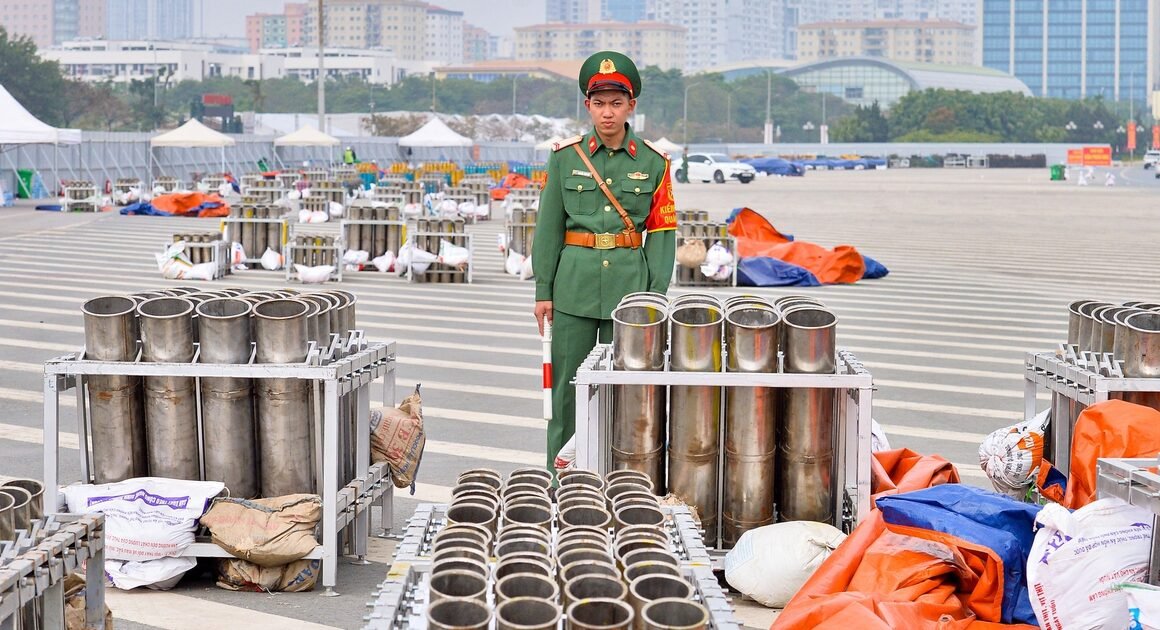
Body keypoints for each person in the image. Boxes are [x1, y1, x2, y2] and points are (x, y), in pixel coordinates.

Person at [531, 50, 677, 473]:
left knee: (627, 394)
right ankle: (560, 487)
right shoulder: (564, 158)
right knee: (565, 394)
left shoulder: (655, 163)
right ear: (587, 105)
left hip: (628, 295)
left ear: (632, 106)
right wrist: (544, 291)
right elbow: (548, 228)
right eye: (599, 103)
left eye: (616, 103)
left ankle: (621, 481)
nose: (607, 113)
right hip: (571, 289)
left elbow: (663, 236)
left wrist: (652, 300)